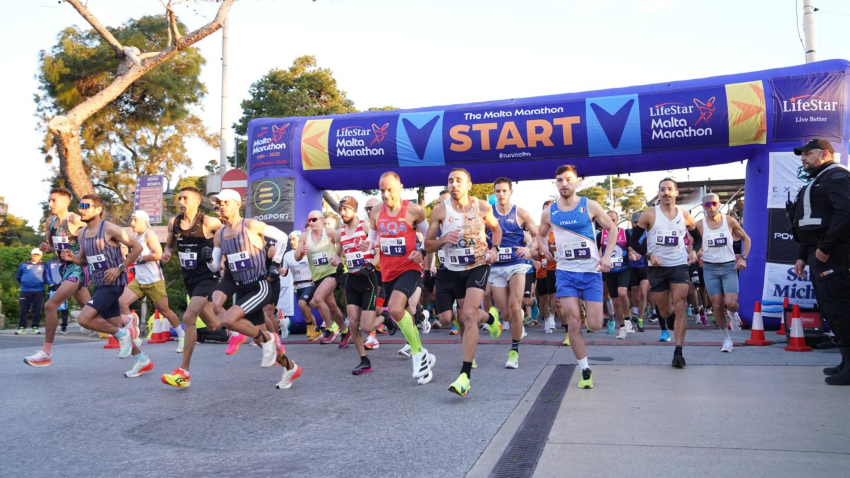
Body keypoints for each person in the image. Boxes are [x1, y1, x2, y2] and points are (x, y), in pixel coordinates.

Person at [203, 189, 301, 389]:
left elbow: (282, 237)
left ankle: (266, 338)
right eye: (218, 203)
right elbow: (215, 267)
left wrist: (275, 263)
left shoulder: (251, 225)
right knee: (215, 305)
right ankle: (290, 367)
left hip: (258, 285)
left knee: (230, 320)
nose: (220, 206)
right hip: (237, 283)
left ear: (236, 204)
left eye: (224, 202)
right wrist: (207, 259)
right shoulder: (219, 235)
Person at [538, 165, 617, 389]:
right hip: (565, 273)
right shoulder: (549, 211)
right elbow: (540, 235)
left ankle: (586, 311)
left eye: (568, 180)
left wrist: (607, 256)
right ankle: (584, 369)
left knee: (594, 324)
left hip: (591, 272)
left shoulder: (589, 205)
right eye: (560, 180)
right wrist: (545, 249)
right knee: (573, 323)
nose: (564, 184)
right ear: (556, 183)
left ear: (576, 182)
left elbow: (612, 229)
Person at [425, 168, 503, 396]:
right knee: (447, 319)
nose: (454, 184)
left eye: (459, 181)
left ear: (469, 185)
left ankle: (465, 375)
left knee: (468, 315)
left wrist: (495, 248)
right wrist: (442, 240)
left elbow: (496, 230)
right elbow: (428, 244)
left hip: (477, 265)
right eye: (450, 181)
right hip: (450, 269)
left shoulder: (483, 208)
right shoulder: (440, 210)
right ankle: (490, 318)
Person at [60, 194, 152, 377]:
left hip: (114, 283)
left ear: (98, 209)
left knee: (84, 319)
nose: (82, 209)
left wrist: (120, 268)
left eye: (86, 205)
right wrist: (74, 259)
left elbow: (138, 248)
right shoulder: (83, 234)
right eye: (80, 205)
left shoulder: (111, 229)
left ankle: (124, 334)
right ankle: (142, 360)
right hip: (99, 284)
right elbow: (86, 261)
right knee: (114, 325)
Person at [788, 139, 850, 385]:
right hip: (819, 253)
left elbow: (846, 213)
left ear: (824, 153)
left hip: (834, 253)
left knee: (841, 307)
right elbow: (812, 223)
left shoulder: (836, 176)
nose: (803, 158)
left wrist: (825, 247)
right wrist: (803, 254)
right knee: (831, 308)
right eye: (801, 155)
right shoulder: (819, 179)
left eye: (807, 154)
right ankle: (846, 361)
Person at [364, 171, 434, 385]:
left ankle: (417, 354)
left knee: (395, 308)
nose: (385, 194)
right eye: (382, 190)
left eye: (390, 189)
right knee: (400, 312)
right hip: (387, 271)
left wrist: (421, 251)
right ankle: (423, 353)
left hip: (410, 268)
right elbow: (373, 239)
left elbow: (430, 236)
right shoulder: (376, 211)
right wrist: (367, 246)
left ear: (400, 187)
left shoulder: (414, 210)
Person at [630, 178, 701, 368]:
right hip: (657, 268)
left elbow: (698, 237)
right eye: (662, 190)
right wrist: (648, 255)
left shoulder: (685, 215)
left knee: (679, 306)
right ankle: (668, 318)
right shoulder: (650, 215)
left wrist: (694, 250)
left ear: (676, 192)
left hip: (679, 265)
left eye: (670, 189)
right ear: (659, 193)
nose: (666, 193)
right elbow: (634, 242)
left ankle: (678, 351)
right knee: (665, 310)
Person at [160, 187, 226, 386]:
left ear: (197, 202)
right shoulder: (174, 222)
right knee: (214, 324)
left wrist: (220, 258)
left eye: (185, 198)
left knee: (189, 318)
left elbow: (227, 237)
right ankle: (238, 328)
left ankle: (184, 373)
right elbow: (170, 245)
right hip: (188, 276)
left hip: (206, 275)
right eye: (179, 198)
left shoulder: (208, 222)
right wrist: (167, 253)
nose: (181, 201)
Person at [25, 188, 92, 367]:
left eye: (54, 200)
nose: (50, 204)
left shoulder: (75, 219)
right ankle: (126, 324)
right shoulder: (50, 221)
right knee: (92, 308)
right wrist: (46, 249)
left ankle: (46, 353)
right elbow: (50, 247)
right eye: (49, 200)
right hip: (64, 269)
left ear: (65, 202)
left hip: (77, 268)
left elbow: (95, 234)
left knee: (51, 305)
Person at [118, 210, 184, 352]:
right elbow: (132, 258)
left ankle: (182, 336)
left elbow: (158, 254)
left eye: (135, 220)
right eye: (132, 220)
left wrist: (139, 258)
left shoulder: (149, 234)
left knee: (164, 311)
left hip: (154, 280)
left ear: (143, 221)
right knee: (122, 303)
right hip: (139, 280)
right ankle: (134, 334)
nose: (132, 223)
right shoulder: (135, 237)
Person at [489, 177, 537, 368]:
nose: (501, 194)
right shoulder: (487, 213)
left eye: (504, 191)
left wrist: (529, 248)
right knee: (507, 315)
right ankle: (499, 319)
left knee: (516, 308)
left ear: (510, 192)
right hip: (497, 267)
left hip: (517, 264)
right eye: (497, 191)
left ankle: (514, 351)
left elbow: (538, 234)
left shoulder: (521, 213)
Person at [696, 193, 751, 352]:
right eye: (707, 205)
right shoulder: (700, 225)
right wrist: (695, 253)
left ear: (719, 204)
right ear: (703, 207)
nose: (711, 208)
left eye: (714, 204)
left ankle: (734, 315)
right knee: (717, 305)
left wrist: (744, 258)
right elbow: (691, 243)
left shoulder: (729, 221)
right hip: (710, 268)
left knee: (731, 303)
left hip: (728, 267)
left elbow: (746, 239)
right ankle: (727, 340)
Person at [337, 196, 379, 374]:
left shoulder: (365, 226)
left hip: (368, 278)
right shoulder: (341, 232)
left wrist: (370, 265)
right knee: (353, 323)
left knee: (367, 326)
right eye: (340, 209)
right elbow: (338, 254)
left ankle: (387, 319)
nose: (342, 212)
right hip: (352, 279)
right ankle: (364, 360)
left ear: (354, 210)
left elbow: (380, 249)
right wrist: (337, 261)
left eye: (346, 209)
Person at [295, 210, 348, 345]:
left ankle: (329, 330)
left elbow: (343, 242)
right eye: (309, 220)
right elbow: (296, 256)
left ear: (322, 220)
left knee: (318, 298)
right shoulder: (303, 237)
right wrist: (301, 253)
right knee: (332, 306)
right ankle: (345, 331)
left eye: (314, 219)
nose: (311, 222)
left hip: (332, 272)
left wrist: (338, 256)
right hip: (318, 276)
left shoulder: (329, 233)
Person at [597, 211, 634, 340]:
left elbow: (630, 249)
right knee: (615, 301)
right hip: (609, 271)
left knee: (623, 293)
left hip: (623, 268)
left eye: (614, 219)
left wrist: (632, 254)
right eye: (609, 219)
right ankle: (622, 326)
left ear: (618, 220)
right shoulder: (601, 235)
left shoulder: (624, 232)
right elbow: (598, 252)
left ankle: (628, 319)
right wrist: (599, 263)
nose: (612, 221)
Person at [282, 231, 321, 341]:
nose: (291, 242)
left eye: (294, 239)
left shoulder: (308, 251)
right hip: (298, 286)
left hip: (309, 284)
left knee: (302, 303)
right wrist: (279, 271)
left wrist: (316, 276)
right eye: (290, 240)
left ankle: (310, 327)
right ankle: (316, 330)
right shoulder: (288, 255)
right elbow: (284, 272)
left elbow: (319, 266)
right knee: (305, 310)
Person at [628, 212, 650, 333]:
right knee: (634, 293)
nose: (637, 224)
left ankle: (640, 319)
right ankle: (635, 311)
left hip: (644, 266)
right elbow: (629, 245)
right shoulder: (629, 233)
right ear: (632, 222)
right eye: (635, 222)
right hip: (632, 267)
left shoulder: (648, 233)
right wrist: (632, 253)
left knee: (643, 292)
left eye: (639, 222)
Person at [16, 249, 46, 335]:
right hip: (25, 290)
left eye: (37, 255)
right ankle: (22, 328)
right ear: (31, 255)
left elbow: (46, 276)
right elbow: (18, 276)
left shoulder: (43, 265)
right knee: (23, 310)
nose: (35, 256)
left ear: (41, 256)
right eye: (34, 254)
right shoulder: (23, 264)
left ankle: (35, 327)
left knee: (37, 310)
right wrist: (24, 283)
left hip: (39, 290)